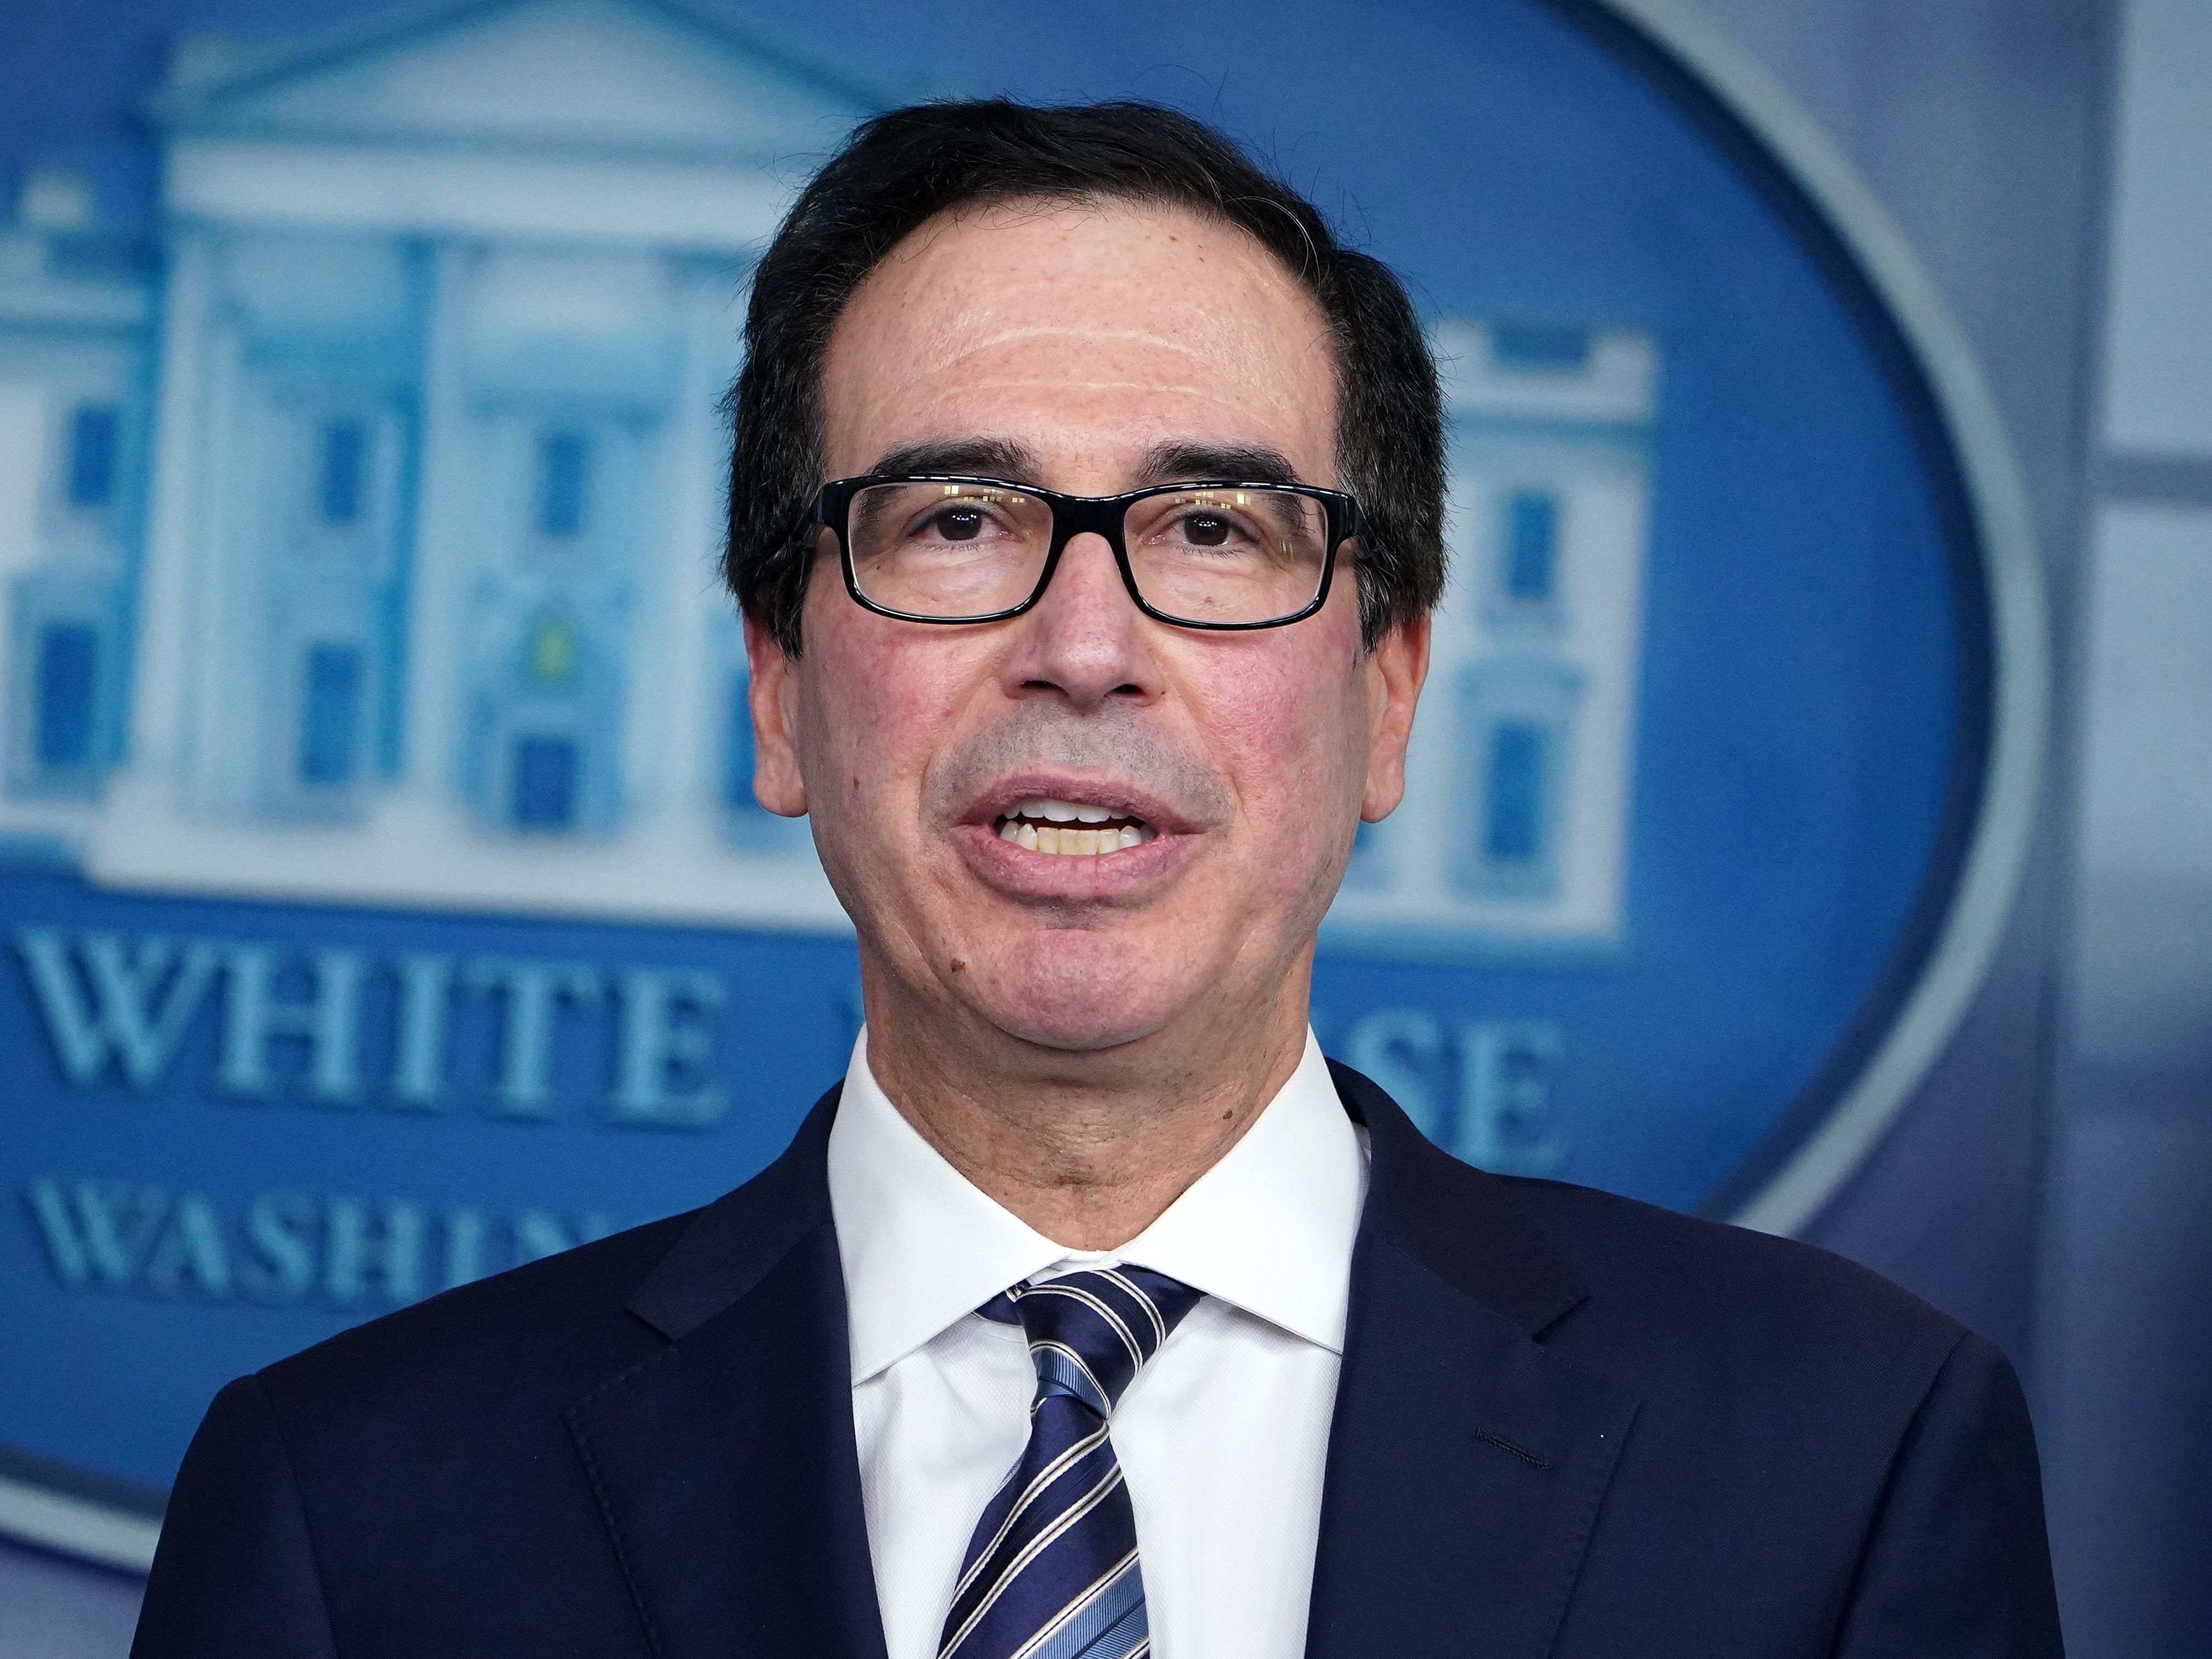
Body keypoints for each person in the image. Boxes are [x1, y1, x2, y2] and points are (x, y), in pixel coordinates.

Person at [132, 100, 2063, 1659]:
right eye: (956, 520)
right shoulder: (347, 1511)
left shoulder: (1844, 1461)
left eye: (1211, 528)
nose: (1083, 645)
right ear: (781, 691)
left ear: (1386, 693)